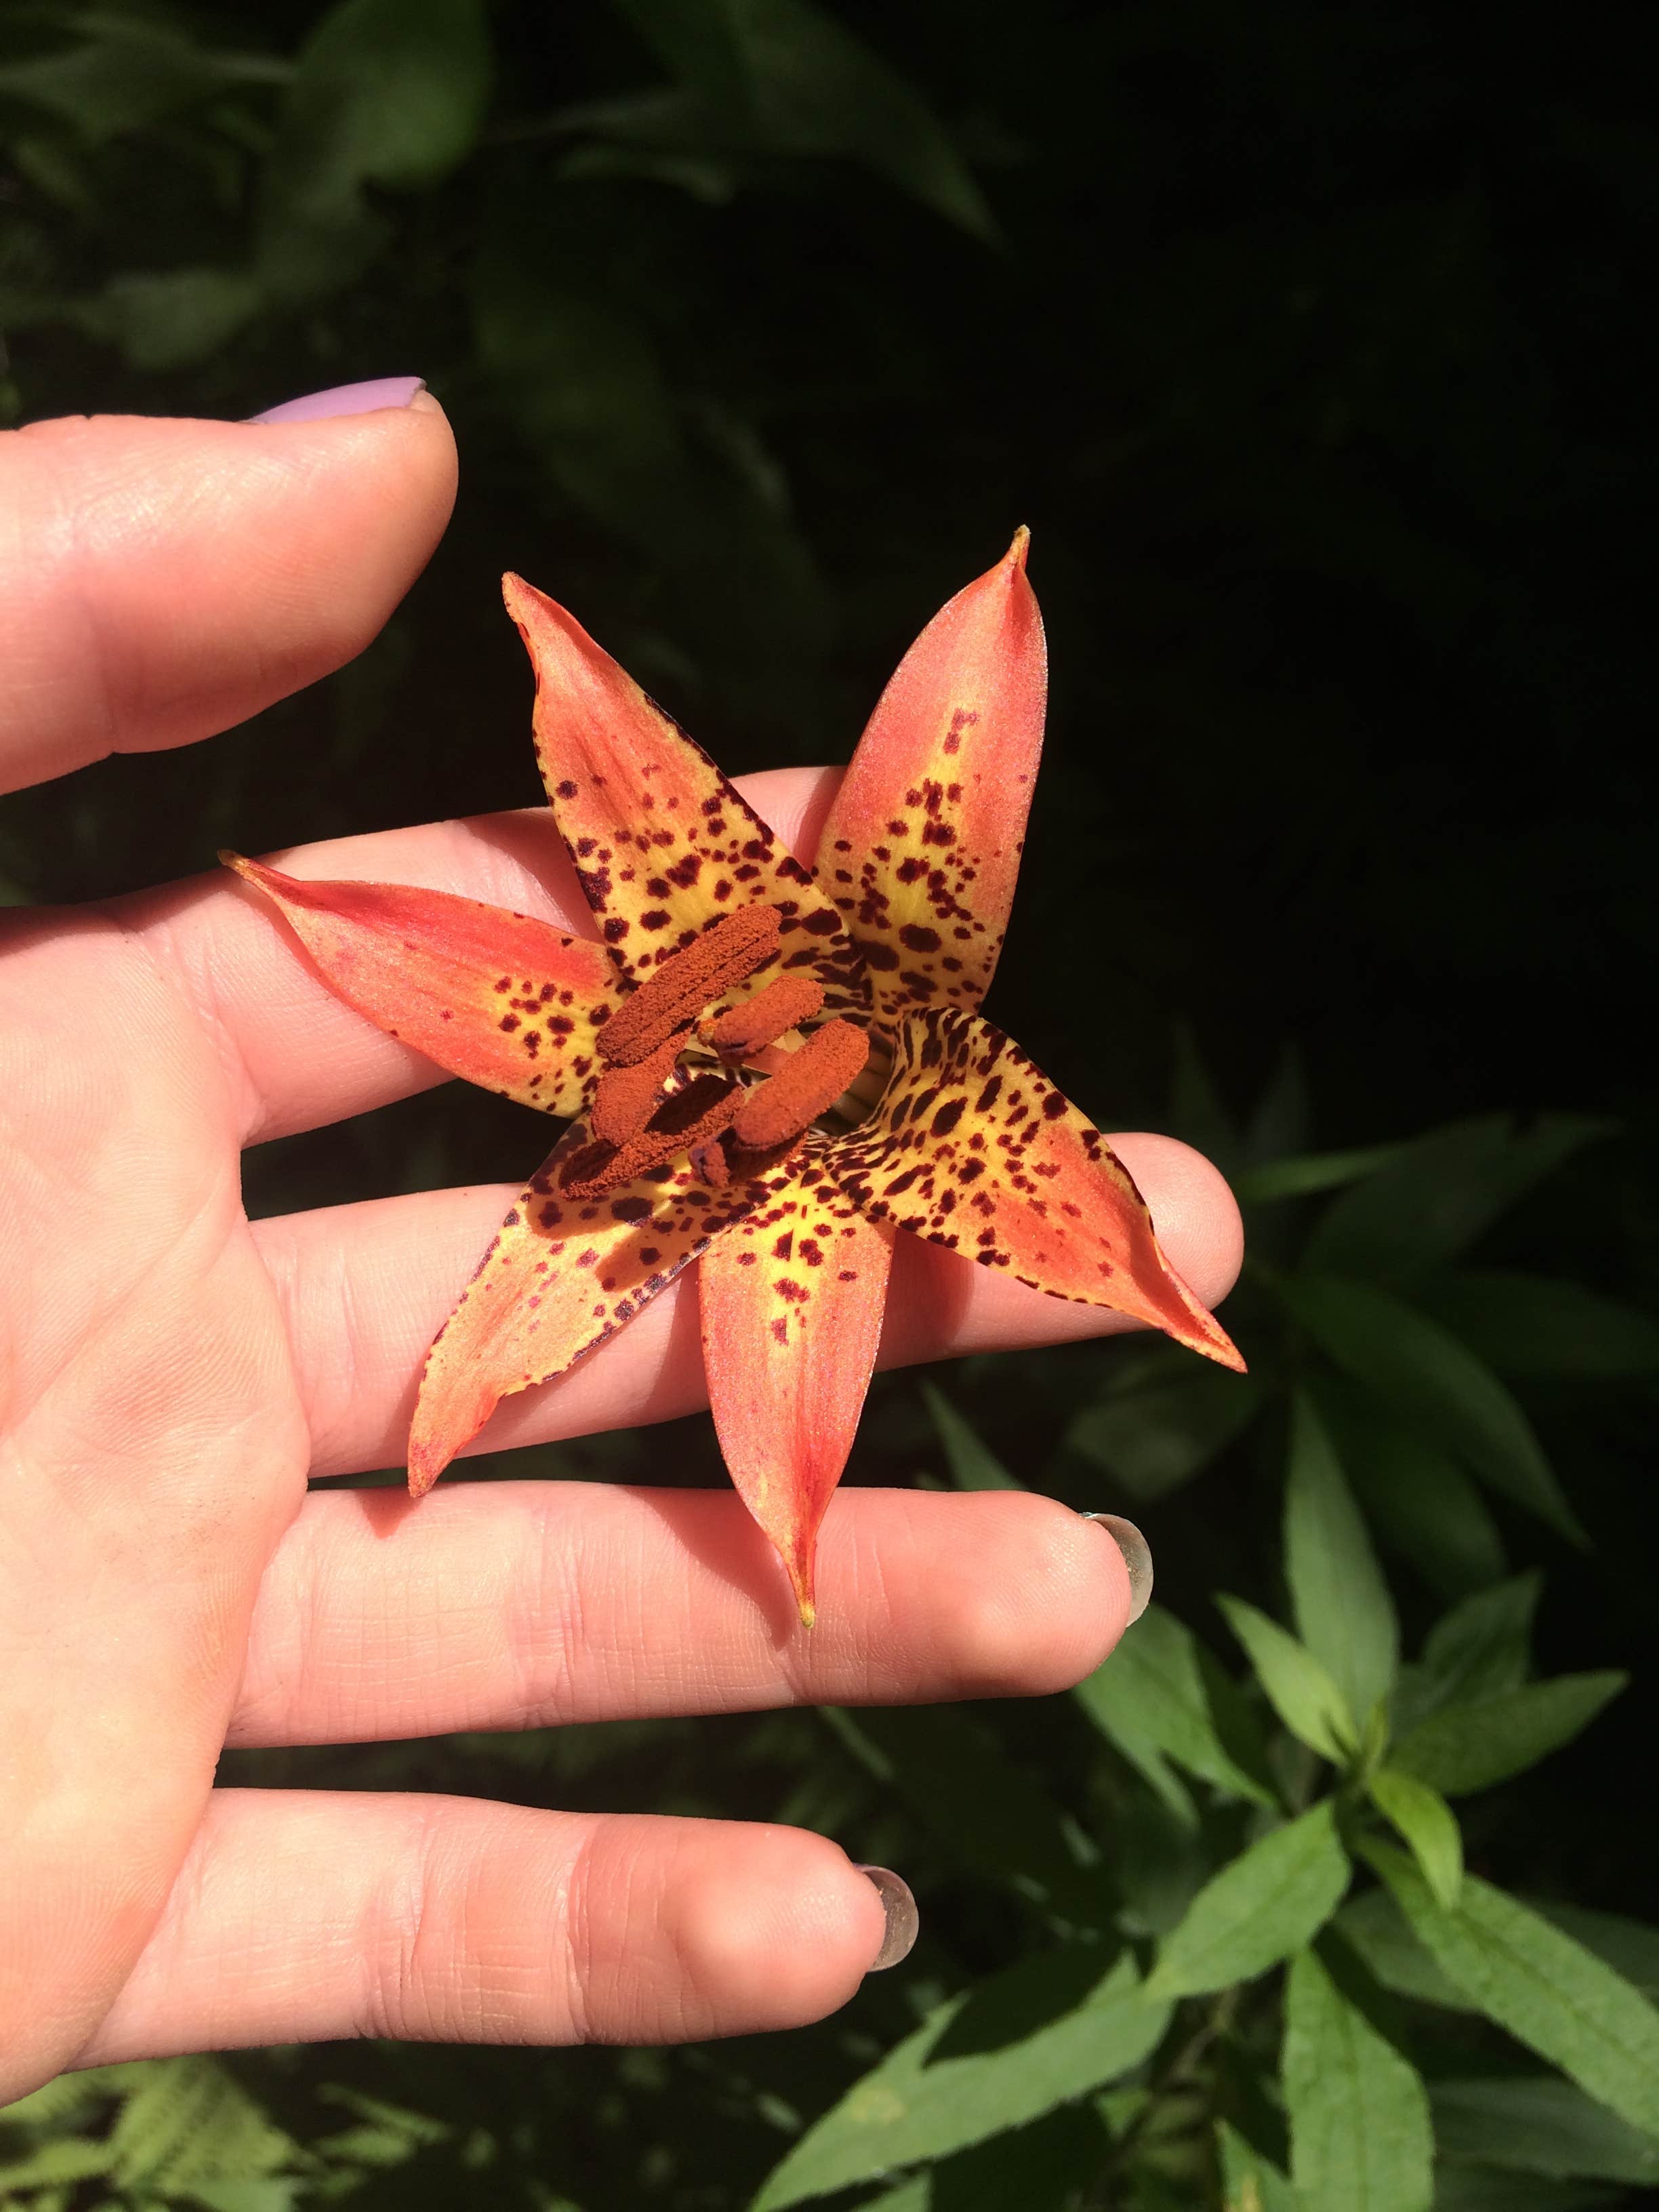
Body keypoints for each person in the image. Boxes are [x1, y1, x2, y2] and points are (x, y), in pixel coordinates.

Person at [0, 379, 1242, 2102]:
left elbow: (960, 706)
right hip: (751, 1127)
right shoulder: (697, 1083)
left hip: (825, 1131)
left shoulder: (864, 1114)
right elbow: (609, 756)